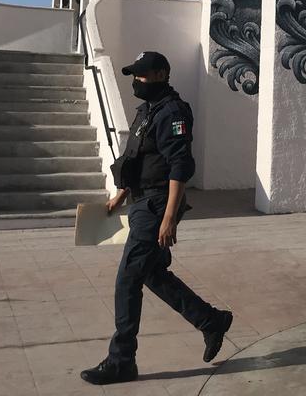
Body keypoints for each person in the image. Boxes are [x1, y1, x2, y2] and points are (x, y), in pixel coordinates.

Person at [80, 51, 233, 386]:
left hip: (157, 205)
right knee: (150, 273)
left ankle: (121, 360)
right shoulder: (147, 111)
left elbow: (179, 166)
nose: (138, 81)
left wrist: (169, 217)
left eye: (143, 75)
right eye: (135, 76)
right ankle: (211, 320)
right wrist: (120, 195)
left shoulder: (173, 113)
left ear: (162, 74)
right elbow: (136, 159)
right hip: (140, 202)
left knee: (127, 280)